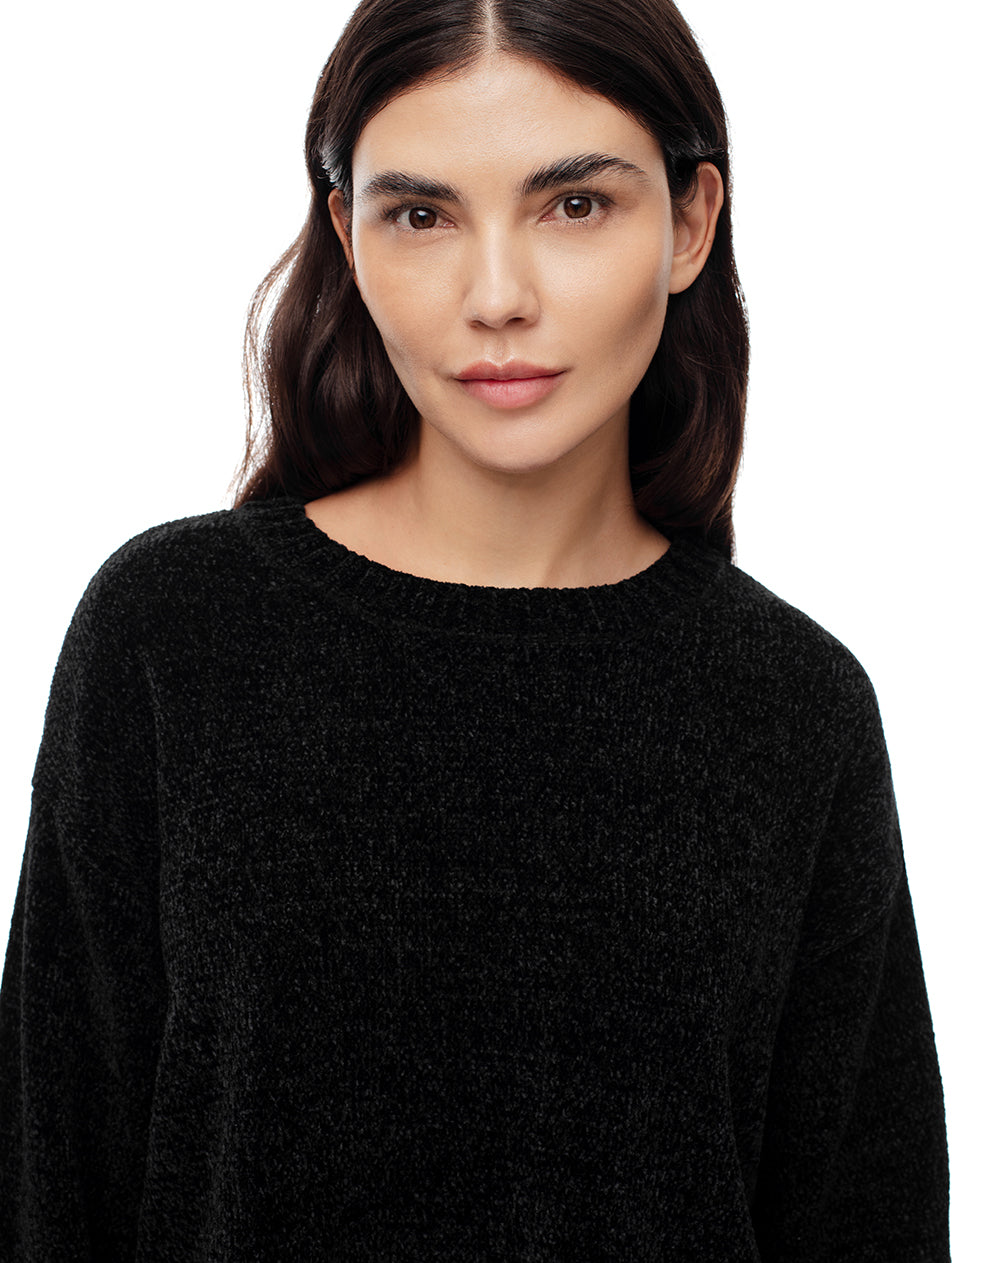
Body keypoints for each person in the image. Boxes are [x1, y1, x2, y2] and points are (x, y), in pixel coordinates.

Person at [0, 0, 950, 1257]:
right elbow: (49, 1183)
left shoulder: (793, 706)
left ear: (690, 223)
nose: (496, 297)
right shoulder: (171, 636)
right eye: (421, 215)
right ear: (348, 236)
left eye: (574, 205)